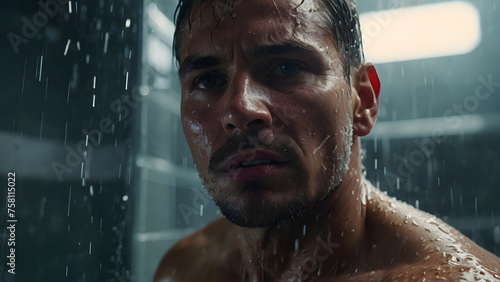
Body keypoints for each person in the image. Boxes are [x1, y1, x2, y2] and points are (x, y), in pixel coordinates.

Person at [154, 0, 500, 280]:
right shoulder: (183, 269)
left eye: (286, 68)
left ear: (363, 101)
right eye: (208, 80)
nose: (240, 109)